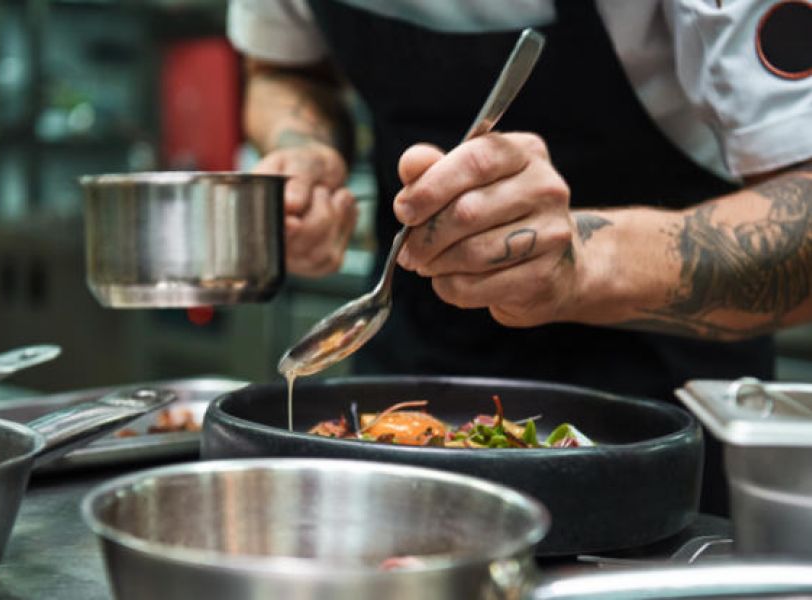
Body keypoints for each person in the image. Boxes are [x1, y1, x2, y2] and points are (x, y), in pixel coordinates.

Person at [227, 0, 812, 515]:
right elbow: (284, 65)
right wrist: (301, 147)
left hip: (655, 423)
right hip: (403, 377)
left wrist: (585, 261)